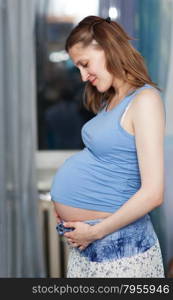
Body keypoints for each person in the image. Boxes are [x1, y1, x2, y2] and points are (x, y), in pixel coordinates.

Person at [50, 15, 166, 278]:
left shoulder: (145, 101)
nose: (82, 76)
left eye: (85, 64)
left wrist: (95, 230)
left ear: (106, 48)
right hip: (91, 247)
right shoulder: (110, 102)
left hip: (120, 249)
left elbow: (153, 193)